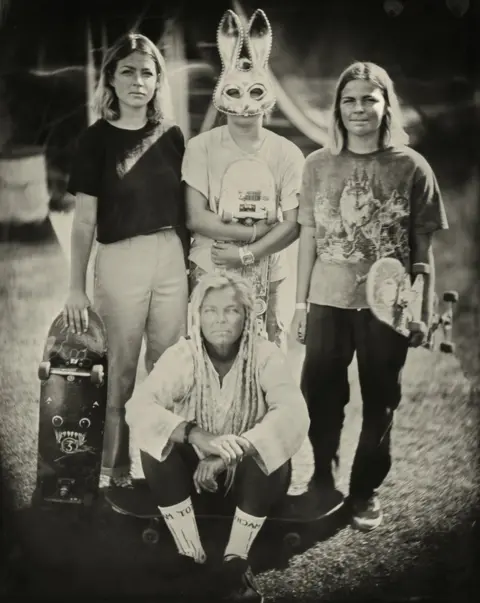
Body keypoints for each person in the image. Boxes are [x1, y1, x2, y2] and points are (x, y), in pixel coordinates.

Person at [292, 61, 449, 531]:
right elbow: (307, 242)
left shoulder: (412, 166)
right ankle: (322, 480)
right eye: (350, 100)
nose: (359, 108)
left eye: (369, 99)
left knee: (381, 399)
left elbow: (422, 250)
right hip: (327, 301)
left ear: (386, 105)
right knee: (319, 396)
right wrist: (300, 306)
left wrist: (421, 309)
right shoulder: (317, 164)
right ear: (338, 109)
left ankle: (364, 492)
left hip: (389, 307)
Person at [124, 272, 310, 602]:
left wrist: (231, 451)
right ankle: (190, 552)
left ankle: (236, 564)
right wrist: (196, 435)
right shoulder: (184, 355)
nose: (220, 320)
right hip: (195, 480)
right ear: (197, 316)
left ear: (247, 316)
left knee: (270, 449)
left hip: (250, 484)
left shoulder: (266, 355)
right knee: (155, 442)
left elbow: (294, 414)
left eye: (231, 310)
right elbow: (139, 407)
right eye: (210, 310)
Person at [64, 33, 190, 488]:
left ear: (158, 81)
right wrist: (75, 286)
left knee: (170, 366)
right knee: (118, 368)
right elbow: (83, 225)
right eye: (128, 71)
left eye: (148, 72)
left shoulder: (173, 136)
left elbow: (187, 211)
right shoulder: (94, 141)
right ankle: (113, 468)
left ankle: (163, 468)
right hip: (120, 260)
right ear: (112, 79)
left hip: (171, 258)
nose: (139, 80)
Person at [182, 8, 305, 352]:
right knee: (209, 358)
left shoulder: (287, 153)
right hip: (211, 267)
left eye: (255, 92)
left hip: (271, 276)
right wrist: (251, 235)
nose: (246, 103)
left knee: (267, 361)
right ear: (221, 92)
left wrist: (248, 255)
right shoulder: (200, 147)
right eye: (234, 92)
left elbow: (292, 224)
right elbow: (195, 216)